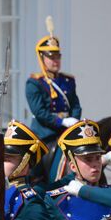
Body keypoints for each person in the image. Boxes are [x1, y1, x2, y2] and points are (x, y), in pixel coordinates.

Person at [25, 16, 81, 146]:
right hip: (45, 134)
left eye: (58, 57)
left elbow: (75, 105)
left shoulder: (68, 80)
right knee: (38, 163)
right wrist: (61, 122)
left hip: (66, 132)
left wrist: (74, 121)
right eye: (51, 57)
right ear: (42, 58)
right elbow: (40, 112)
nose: (55, 61)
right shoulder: (34, 83)